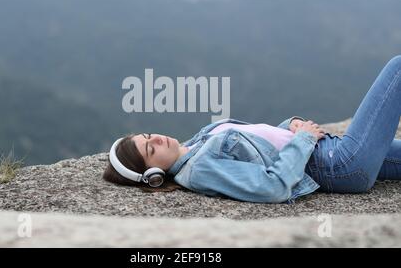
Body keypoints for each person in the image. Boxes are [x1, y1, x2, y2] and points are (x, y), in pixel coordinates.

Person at [103, 55, 401, 203]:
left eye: (147, 136)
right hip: (339, 165)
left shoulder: (197, 143)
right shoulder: (199, 169)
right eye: (150, 149)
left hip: (333, 149)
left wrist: (290, 125)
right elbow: (271, 186)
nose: (155, 138)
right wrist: (304, 139)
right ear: (154, 177)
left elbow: (264, 144)